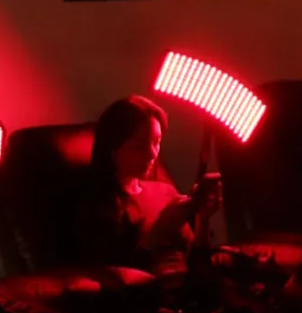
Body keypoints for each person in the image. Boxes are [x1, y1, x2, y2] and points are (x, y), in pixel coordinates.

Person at [75, 95, 224, 279]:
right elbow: (119, 279)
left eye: (157, 142)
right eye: (139, 147)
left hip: (194, 288)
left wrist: (202, 217)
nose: (152, 154)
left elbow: (199, 265)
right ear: (111, 149)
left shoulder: (166, 192)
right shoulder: (97, 206)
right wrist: (161, 229)